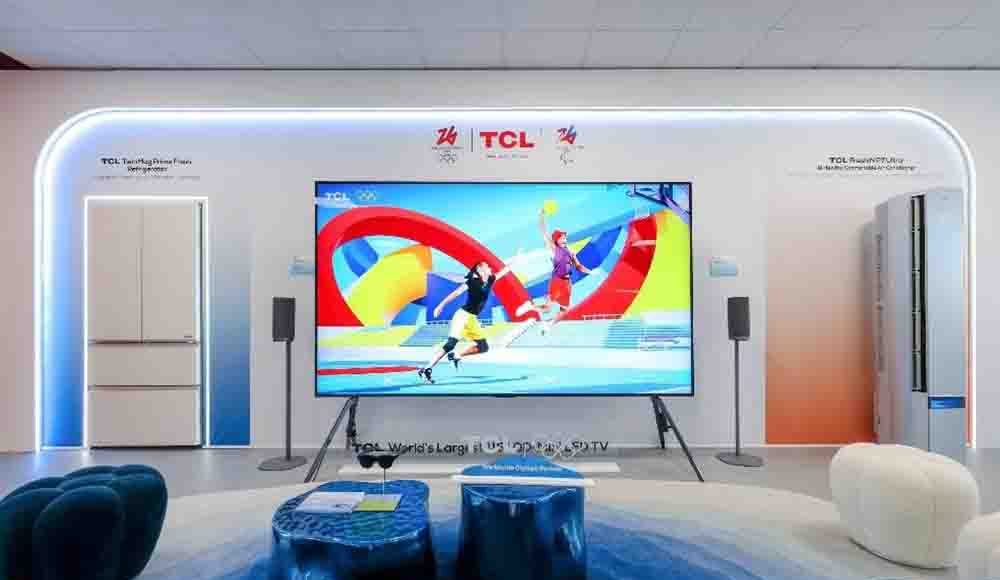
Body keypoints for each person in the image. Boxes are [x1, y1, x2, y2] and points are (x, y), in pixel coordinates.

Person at [418, 259, 514, 384]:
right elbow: (455, 293)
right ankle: (426, 369)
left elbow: (504, 271)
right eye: (487, 266)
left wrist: (518, 259)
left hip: (472, 319)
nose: (490, 268)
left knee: (483, 347)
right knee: (450, 344)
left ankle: (456, 355)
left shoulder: (490, 279)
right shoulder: (471, 282)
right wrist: (440, 306)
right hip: (462, 315)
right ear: (480, 269)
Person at [524, 208, 591, 335]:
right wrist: (541, 216)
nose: (565, 239)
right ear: (557, 240)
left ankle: (548, 325)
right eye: (562, 237)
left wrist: (590, 272)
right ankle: (530, 307)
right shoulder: (554, 248)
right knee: (547, 307)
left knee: (564, 309)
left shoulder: (571, 252)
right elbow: (543, 231)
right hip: (557, 281)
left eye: (565, 237)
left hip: (567, 283)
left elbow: (579, 266)